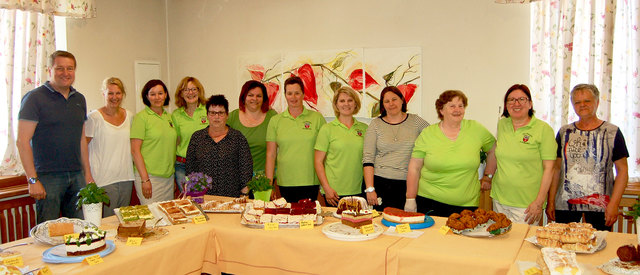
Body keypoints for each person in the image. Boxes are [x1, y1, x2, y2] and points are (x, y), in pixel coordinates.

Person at [16, 50, 94, 223]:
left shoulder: (79, 99)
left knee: (79, 230)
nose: (65, 73)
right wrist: (32, 179)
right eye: (60, 68)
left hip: (76, 176)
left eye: (70, 68)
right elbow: (22, 142)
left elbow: (81, 139)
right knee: (48, 232)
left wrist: (87, 174)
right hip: (48, 177)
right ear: (50, 70)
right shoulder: (34, 98)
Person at [546, 84, 629, 231]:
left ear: (597, 102)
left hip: (602, 206)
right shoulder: (565, 132)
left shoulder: (612, 132)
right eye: (577, 102)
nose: (582, 105)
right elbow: (556, 169)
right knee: (564, 247)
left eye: (587, 101)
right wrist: (551, 201)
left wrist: (614, 204)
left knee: (599, 248)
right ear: (573, 105)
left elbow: (622, 171)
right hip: (565, 205)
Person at [405, 90, 495, 217]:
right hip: (430, 201)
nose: (457, 110)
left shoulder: (476, 129)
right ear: (441, 110)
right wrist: (410, 198)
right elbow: (414, 168)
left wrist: (488, 176)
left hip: (467, 205)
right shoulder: (428, 134)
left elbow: (493, 149)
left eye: (461, 106)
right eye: (452, 106)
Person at [483, 84, 556, 224]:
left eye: (521, 99)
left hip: (527, 205)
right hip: (500, 199)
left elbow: (549, 169)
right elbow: (498, 154)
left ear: (530, 104)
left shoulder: (543, 129)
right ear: (506, 105)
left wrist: (539, 202)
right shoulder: (503, 124)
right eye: (511, 100)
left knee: (520, 244)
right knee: (499, 243)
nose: (516, 103)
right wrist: (488, 177)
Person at [362, 86, 429, 210]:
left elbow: (434, 138)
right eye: (386, 101)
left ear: (402, 100)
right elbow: (368, 158)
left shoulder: (416, 121)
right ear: (382, 105)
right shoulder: (375, 124)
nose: (391, 104)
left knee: (405, 226)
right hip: (379, 183)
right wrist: (370, 189)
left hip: (408, 185)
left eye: (394, 99)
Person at [266, 76, 326, 202]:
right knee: (288, 219)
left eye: (297, 93)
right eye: (290, 93)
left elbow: (325, 152)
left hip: (311, 180)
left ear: (303, 94)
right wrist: (269, 185)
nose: (293, 97)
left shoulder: (317, 118)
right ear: (285, 95)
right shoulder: (275, 121)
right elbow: (271, 155)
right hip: (285, 182)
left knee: (309, 219)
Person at [185, 95, 253, 197]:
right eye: (212, 113)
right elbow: (190, 168)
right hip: (203, 196)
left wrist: (244, 193)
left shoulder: (238, 138)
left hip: (231, 197)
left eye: (220, 113)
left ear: (227, 115)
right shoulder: (197, 138)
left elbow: (246, 167)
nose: (216, 117)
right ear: (207, 115)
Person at [86, 77, 135, 217]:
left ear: (123, 94)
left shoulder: (130, 116)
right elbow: (82, 149)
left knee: (123, 222)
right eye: (110, 93)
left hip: (126, 178)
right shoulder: (94, 117)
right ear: (103, 94)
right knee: (106, 224)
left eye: (118, 93)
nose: (114, 97)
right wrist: (88, 176)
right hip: (103, 180)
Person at [314, 86, 368, 206]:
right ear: (336, 105)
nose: (346, 104)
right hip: (334, 192)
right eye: (342, 101)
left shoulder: (365, 129)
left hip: (359, 190)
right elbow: (318, 162)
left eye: (350, 100)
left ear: (355, 104)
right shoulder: (327, 129)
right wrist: (327, 188)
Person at [131, 79, 177, 204]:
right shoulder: (141, 118)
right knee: (152, 217)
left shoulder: (169, 117)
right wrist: (145, 179)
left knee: (167, 218)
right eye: (152, 94)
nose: (157, 97)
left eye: (160, 93)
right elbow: (135, 151)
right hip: (150, 177)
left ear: (166, 94)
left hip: (168, 177)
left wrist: (171, 176)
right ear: (146, 96)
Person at [227, 80, 277, 175]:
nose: (255, 99)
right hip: (238, 178)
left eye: (259, 96)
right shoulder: (232, 118)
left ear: (264, 99)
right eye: (250, 95)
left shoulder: (272, 116)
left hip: (267, 178)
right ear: (243, 97)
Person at [171, 77, 208, 192]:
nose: (190, 93)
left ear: (199, 91)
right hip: (182, 165)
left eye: (193, 89)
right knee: (188, 198)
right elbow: (175, 142)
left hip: (204, 164)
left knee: (205, 199)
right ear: (181, 94)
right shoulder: (176, 115)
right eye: (186, 90)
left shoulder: (208, 110)